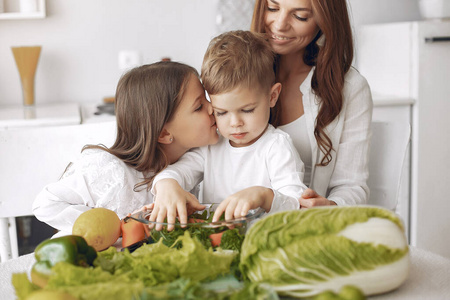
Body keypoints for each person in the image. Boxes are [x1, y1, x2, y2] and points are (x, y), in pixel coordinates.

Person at [32, 61, 219, 236]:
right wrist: (115, 227)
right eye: (199, 106)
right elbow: (45, 204)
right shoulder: (111, 171)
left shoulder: (192, 162)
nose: (213, 108)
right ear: (163, 133)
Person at [149, 30, 307, 230]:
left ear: (272, 96)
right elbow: (177, 173)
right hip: (216, 246)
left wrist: (264, 196)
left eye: (247, 110)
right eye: (221, 112)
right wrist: (166, 185)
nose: (235, 123)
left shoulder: (276, 147)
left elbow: (298, 206)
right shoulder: (212, 146)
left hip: (263, 244)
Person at [250, 0, 373, 207]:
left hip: (302, 225)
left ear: (324, 22)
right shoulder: (236, 70)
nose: (279, 25)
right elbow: (199, 152)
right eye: (272, 8)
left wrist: (331, 206)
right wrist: (173, 179)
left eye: (300, 16)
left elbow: (352, 186)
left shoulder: (350, 87)